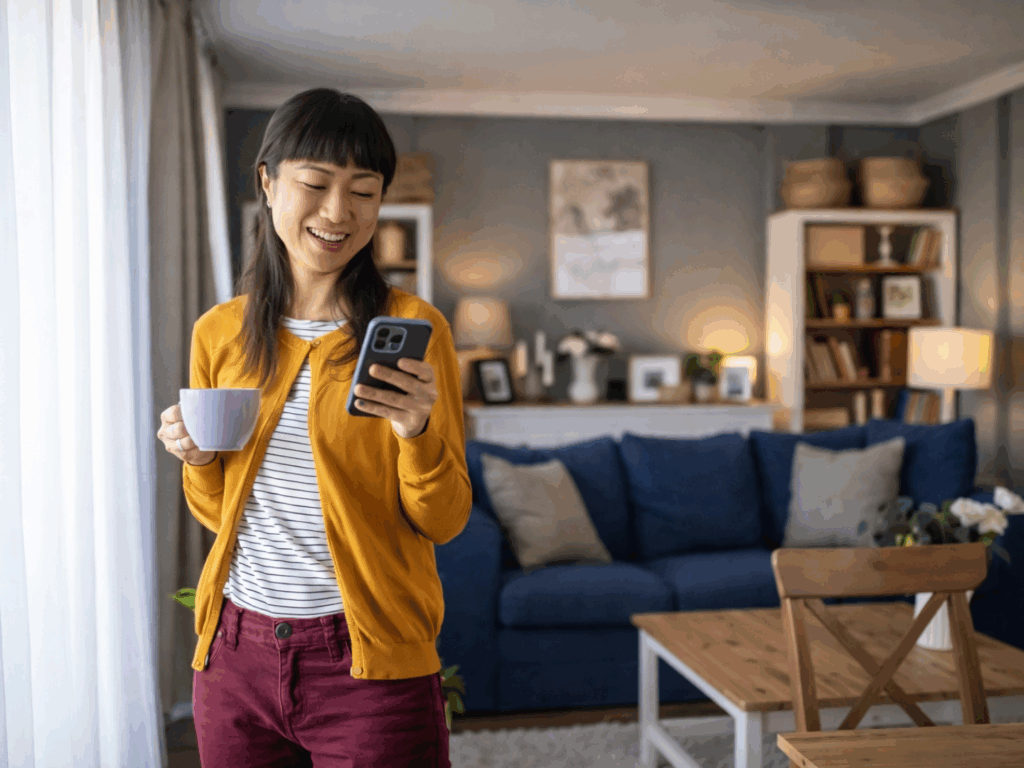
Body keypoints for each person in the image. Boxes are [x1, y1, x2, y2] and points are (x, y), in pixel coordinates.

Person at [155, 88, 471, 767]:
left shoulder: (416, 329)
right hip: (234, 655)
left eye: (363, 190)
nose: (338, 212)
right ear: (269, 183)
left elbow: (444, 519)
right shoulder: (221, 333)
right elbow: (216, 513)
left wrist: (418, 434)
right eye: (316, 183)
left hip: (369, 662)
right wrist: (197, 457)